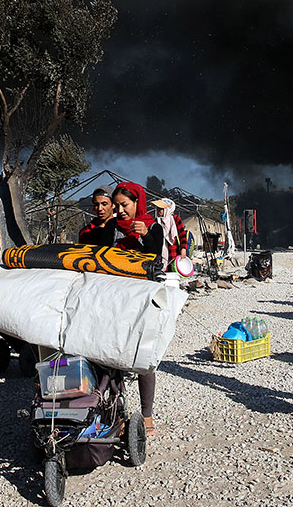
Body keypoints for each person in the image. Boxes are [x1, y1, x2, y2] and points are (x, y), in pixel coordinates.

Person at [111, 182, 162, 435]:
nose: (120, 210)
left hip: (143, 298)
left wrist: (145, 236)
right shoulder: (111, 228)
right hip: (117, 296)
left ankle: (147, 413)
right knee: (111, 354)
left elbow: (158, 258)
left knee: (143, 355)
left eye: (125, 205)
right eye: (117, 205)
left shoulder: (152, 226)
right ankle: (115, 411)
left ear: (137, 203)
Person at [152, 198, 188, 270]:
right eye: (158, 208)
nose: (158, 210)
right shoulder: (156, 221)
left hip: (173, 252)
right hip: (160, 252)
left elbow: (182, 235)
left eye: (161, 208)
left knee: (172, 272)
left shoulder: (175, 219)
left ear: (167, 209)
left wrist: (183, 248)